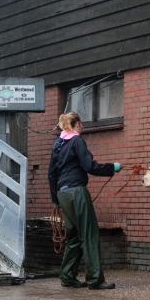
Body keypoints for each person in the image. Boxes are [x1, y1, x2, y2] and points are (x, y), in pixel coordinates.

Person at [48, 111, 122, 290]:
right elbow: (89, 166)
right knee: (89, 234)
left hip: (62, 194)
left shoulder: (58, 144)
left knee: (73, 236)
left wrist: (56, 199)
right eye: (81, 123)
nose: (83, 126)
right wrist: (112, 167)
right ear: (77, 124)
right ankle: (95, 279)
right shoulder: (76, 141)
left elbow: (51, 174)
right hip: (77, 192)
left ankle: (67, 276)